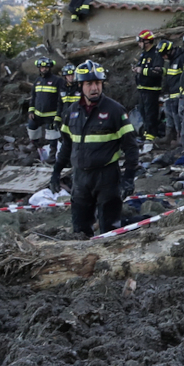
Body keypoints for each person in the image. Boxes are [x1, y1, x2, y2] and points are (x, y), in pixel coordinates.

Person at [50, 60, 139, 237]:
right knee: (80, 230)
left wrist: (128, 178)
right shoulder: (71, 112)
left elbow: (131, 147)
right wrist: (56, 173)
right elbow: (66, 146)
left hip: (107, 178)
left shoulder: (115, 110)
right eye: (89, 83)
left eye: (97, 83)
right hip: (81, 179)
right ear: (80, 85)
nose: (94, 88)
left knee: (110, 231)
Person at [132, 29, 164, 146]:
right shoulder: (144, 54)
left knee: (151, 113)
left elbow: (157, 71)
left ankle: (152, 135)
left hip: (152, 89)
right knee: (143, 111)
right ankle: (146, 134)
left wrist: (142, 70)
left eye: (140, 41)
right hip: (142, 88)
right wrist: (136, 70)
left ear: (147, 42)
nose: (139, 44)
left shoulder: (156, 54)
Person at [27, 57, 62, 150]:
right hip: (38, 114)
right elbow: (33, 96)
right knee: (31, 126)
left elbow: (61, 99)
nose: (44, 69)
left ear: (50, 67)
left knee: (52, 134)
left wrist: (58, 115)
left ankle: (52, 151)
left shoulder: (57, 80)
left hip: (51, 115)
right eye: (42, 67)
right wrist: (31, 111)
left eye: (46, 67)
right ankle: (34, 145)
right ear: (39, 68)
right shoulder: (37, 81)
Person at [157, 39, 179, 142]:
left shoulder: (181, 59)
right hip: (171, 93)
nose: (163, 57)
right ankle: (169, 137)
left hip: (179, 94)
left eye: (164, 54)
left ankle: (179, 138)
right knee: (169, 115)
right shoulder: (171, 61)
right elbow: (168, 76)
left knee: (177, 117)